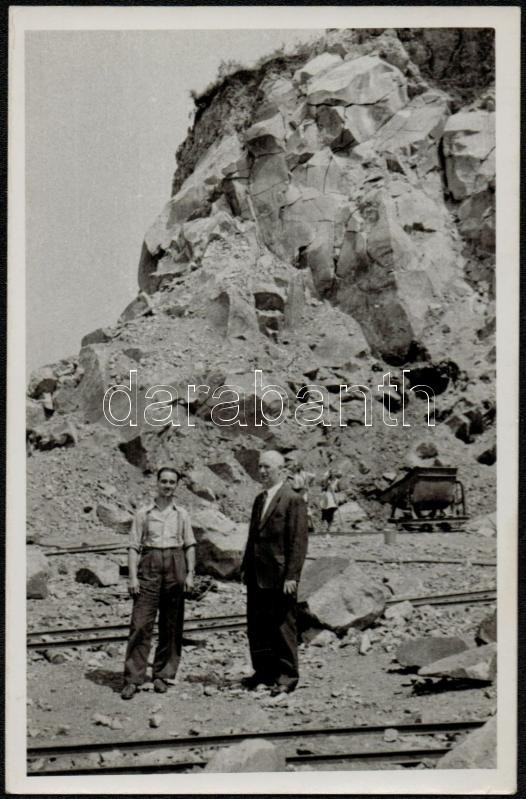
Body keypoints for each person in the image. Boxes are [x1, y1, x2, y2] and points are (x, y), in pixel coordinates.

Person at [121, 465, 196, 700]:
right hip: (150, 564)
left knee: (171, 624)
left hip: (175, 564)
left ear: (177, 486)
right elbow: (133, 546)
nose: (167, 486)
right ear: (157, 483)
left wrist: (190, 574)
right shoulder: (143, 513)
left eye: (172, 482)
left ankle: (162, 674)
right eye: (164, 481)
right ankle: (133, 678)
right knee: (141, 623)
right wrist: (133, 577)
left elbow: (189, 545)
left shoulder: (182, 514)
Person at [240, 450, 308, 695]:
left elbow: (298, 541)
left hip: (280, 576)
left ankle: (287, 676)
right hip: (257, 574)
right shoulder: (260, 499)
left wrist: (292, 576)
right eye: (260, 466)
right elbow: (253, 537)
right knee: (258, 626)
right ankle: (264, 672)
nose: (262, 471)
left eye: (267, 467)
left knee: (283, 626)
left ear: (281, 470)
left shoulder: (292, 499)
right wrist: (245, 567)